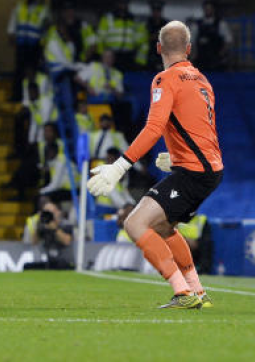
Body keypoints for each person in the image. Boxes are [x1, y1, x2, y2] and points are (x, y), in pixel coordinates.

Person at [87, 20, 222, 309]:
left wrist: (119, 167)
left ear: (159, 48)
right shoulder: (202, 81)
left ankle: (183, 293)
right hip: (208, 169)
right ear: (189, 49)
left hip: (194, 172)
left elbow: (154, 128)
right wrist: (176, 158)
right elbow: (203, 129)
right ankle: (197, 291)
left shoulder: (165, 79)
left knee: (134, 224)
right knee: (163, 227)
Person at [190, 0, 233, 71]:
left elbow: (228, 40)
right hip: (201, 59)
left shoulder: (221, 23)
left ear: (214, 10)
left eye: (210, 9)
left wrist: (221, 54)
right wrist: (194, 55)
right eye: (206, 9)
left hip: (216, 59)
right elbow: (192, 41)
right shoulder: (197, 24)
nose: (208, 11)